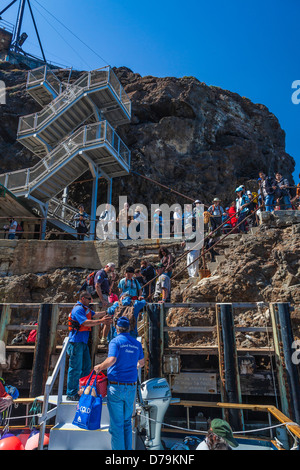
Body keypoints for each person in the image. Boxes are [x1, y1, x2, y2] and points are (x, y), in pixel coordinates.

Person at [94, 317, 145, 451]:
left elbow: (112, 359)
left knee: (117, 426)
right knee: (127, 423)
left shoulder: (115, 341)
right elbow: (142, 362)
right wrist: (133, 366)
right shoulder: (136, 343)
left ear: (116, 329)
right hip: (131, 387)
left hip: (116, 387)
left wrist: (100, 366)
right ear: (128, 328)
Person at [66, 291, 113, 401]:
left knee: (86, 366)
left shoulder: (86, 309)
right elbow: (85, 323)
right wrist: (101, 321)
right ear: (82, 298)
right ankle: (71, 393)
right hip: (76, 342)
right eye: (88, 299)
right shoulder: (78, 309)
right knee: (75, 368)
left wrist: (107, 312)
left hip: (83, 342)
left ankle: (83, 390)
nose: (90, 301)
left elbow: (95, 314)